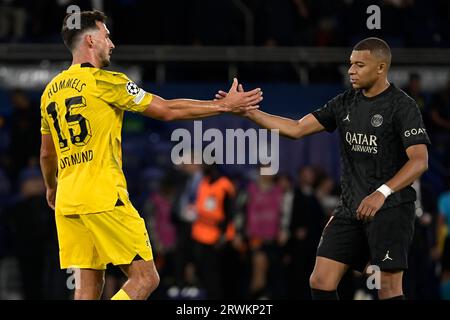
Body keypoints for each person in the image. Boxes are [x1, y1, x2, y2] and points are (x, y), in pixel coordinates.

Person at [39, 10, 262, 301]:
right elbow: (167, 109)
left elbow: (46, 153)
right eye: (107, 37)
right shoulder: (106, 81)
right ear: (91, 41)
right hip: (102, 194)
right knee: (145, 278)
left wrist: (51, 186)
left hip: (68, 200)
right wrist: (223, 106)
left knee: (86, 289)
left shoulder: (49, 93)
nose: (112, 44)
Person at [216, 37, 430, 300]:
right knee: (321, 280)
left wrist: (381, 192)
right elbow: (296, 129)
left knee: (387, 288)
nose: (351, 70)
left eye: (360, 65)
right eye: (350, 64)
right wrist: (248, 113)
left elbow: (419, 161)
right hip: (350, 209)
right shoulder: (344, 102)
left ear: (381, 68)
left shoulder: (402, 106)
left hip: (391, 209)